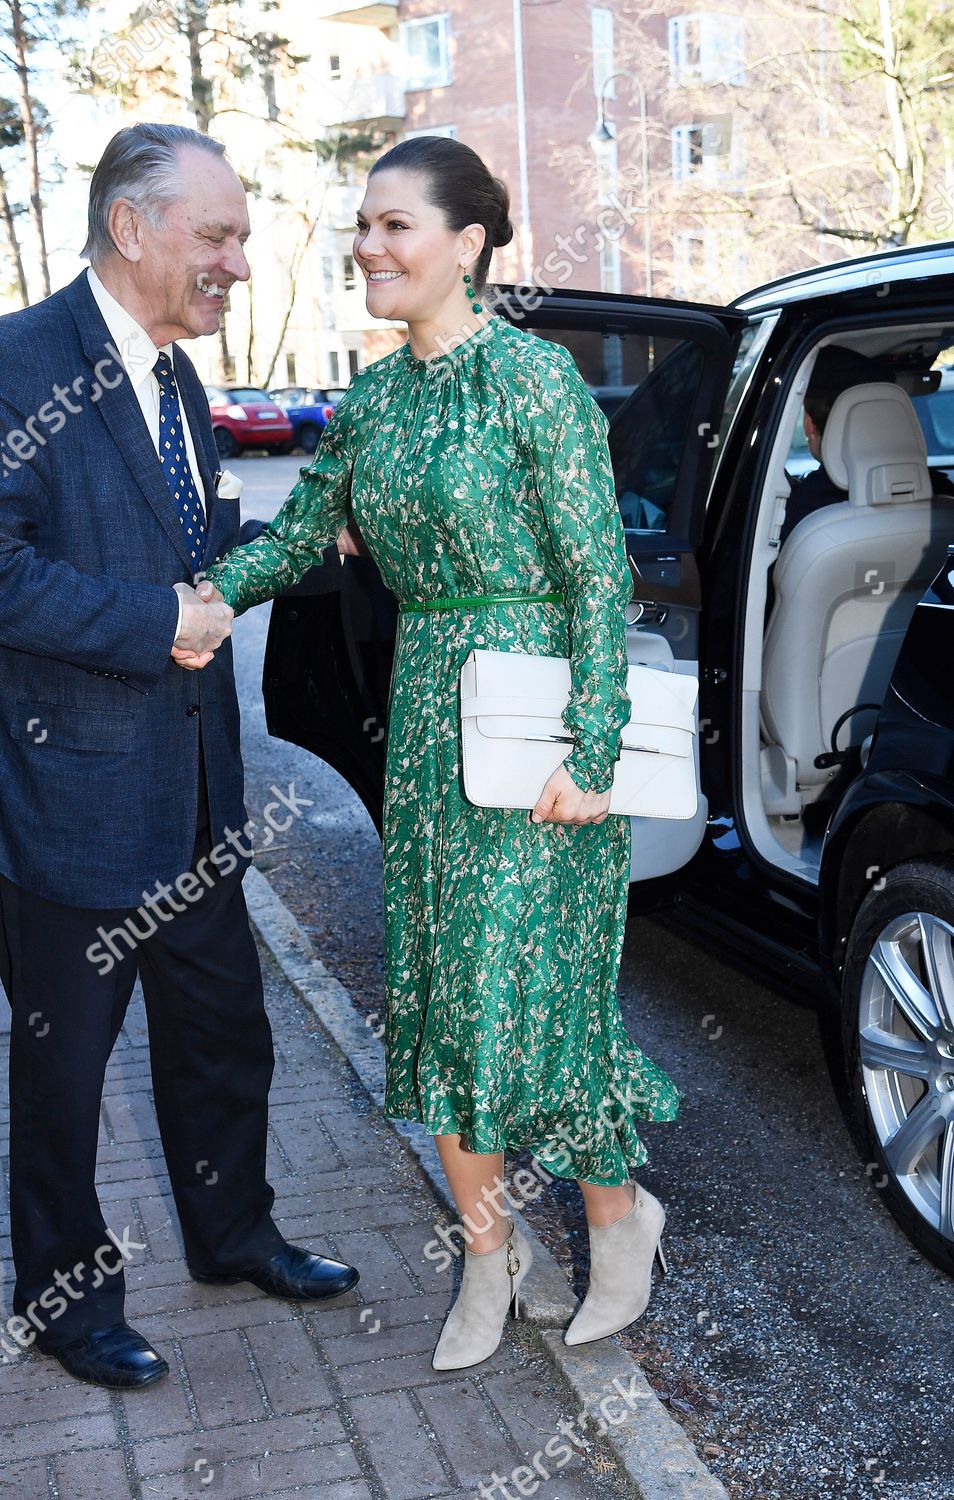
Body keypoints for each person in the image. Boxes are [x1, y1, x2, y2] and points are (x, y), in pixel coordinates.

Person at [204, 136, 682, 1371]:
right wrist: (199, 603)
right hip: (429, 726)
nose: (368, 247)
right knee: (438, 993)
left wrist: (596, 745)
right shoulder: (368, 401)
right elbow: (302, 533)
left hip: (542, 725)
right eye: (361, 226)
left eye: (394, 226)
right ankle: (491, 1252)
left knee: (537, 997)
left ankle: (618, 1220)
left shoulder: (533, 380)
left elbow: (595, 571)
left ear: (466, 245)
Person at [0, 123, 358, 1391]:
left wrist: (306, 545)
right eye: (217, 237)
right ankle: (63, 1297)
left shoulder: (180, 384)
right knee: (61, 1075)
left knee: (225, 1038)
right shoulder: (16, 365)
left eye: (242, 239)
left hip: (201, 800)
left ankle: (234, 1232)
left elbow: (187, 537)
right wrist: (161, 620)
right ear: (130, 228)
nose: (239, 265)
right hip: (71, 808)